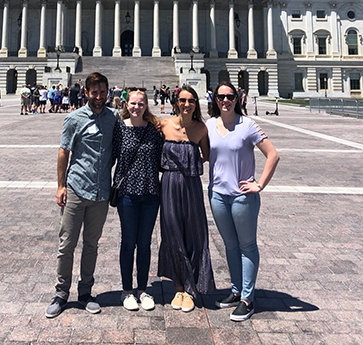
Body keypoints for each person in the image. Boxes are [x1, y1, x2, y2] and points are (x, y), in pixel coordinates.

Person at [45, 72, 120, 319]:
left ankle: (85, 292)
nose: (99, 97)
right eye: (94, 92)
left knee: (91, 245)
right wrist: (61, 185)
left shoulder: (114, 118)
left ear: (108, 92)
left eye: (102, 92)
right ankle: (61, 293)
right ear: (86, 92)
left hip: (100, 192)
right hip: (76, 188)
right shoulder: (73, 119)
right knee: (67, 244)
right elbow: (63, 152)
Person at [207, 82, 280, 322]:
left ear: (237, 98)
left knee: (247, 246)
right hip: (218, 194)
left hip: (242, 197)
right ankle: (236, 290)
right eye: (221, 96)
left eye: (229, 96)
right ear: (215, 99)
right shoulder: (209, 125)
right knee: (230, 245)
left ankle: (248, 299)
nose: (225, 100)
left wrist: (259, 184)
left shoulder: (247, 125)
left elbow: (273, 154)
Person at [158, 85, 214, 313]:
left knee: (194, 233)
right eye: (182, 100)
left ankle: (191, 288)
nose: (187, 104)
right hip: (169, 185)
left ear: (196, 103)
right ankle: (179, 286)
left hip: (191, 186)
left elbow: (208, 155)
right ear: (176, 102)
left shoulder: (201, 129)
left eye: (191, 100)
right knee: (172, 233)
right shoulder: (163, 125)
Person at [112, 89, 163, 312]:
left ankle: (142, 289)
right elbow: (108, 156)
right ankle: (127, 291)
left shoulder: (154, 130)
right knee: (128, 242)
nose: (136, 107)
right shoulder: (119, 128)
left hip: (151, 194)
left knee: (144, 244)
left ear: (146, 105)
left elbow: (165, 156)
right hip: (127, 195)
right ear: (127, 104)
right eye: (133, 103)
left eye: (140, 103)